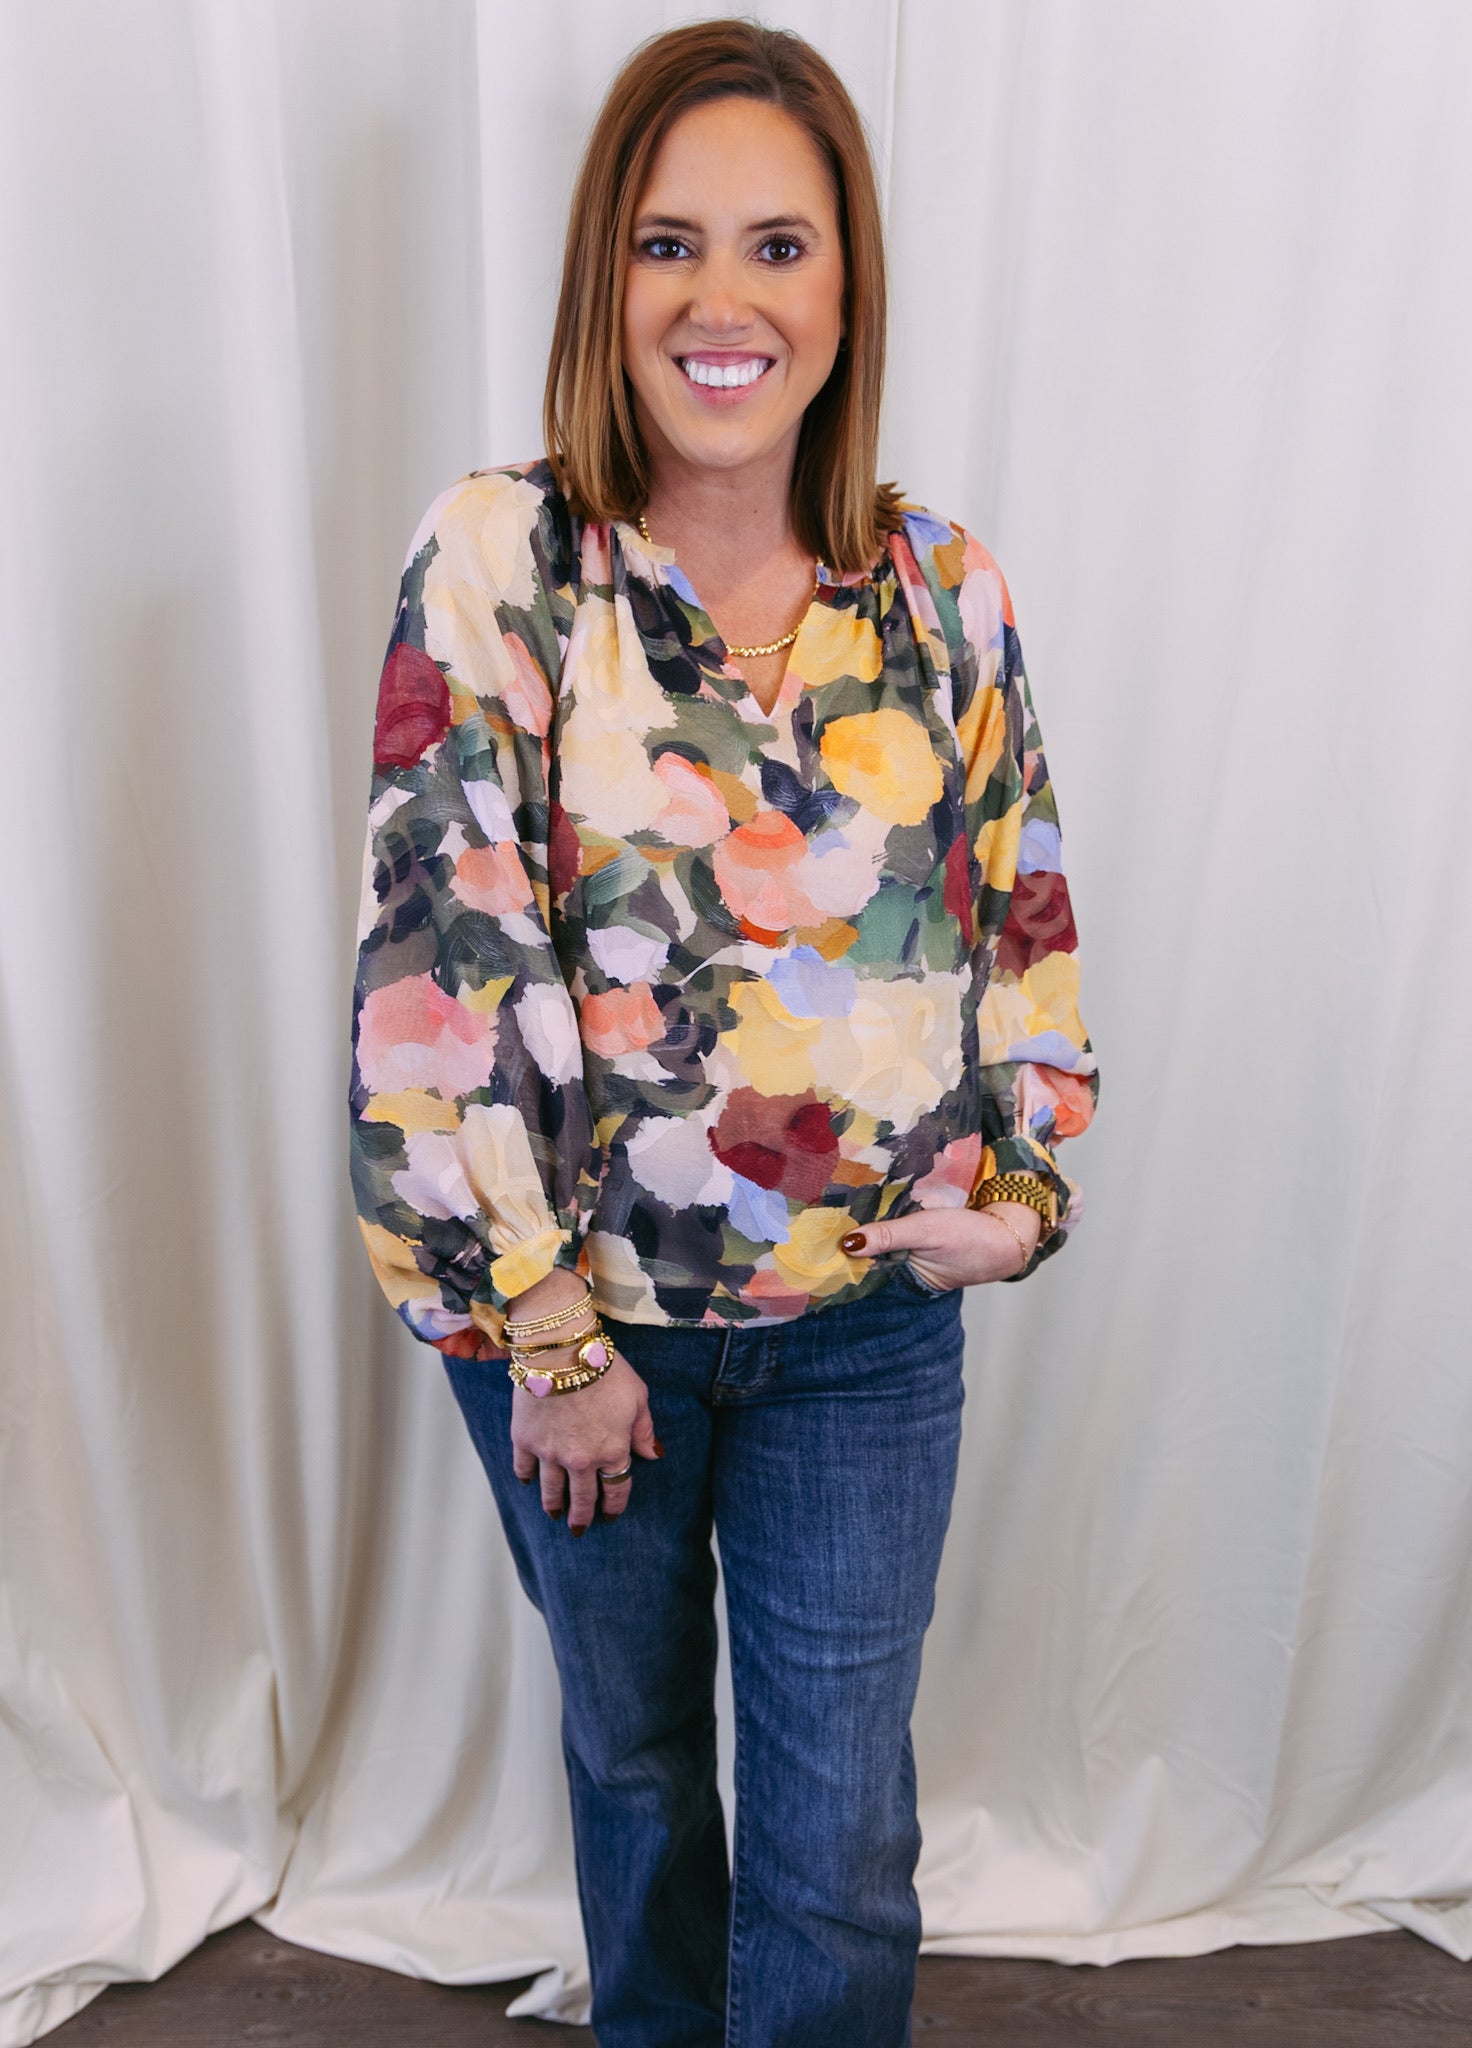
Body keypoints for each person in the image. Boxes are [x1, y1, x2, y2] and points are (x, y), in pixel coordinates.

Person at [350, 19, 1097, 2045]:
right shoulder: (505, 558)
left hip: (866, 1329)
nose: (723, 298)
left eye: (780, 244)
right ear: (609, 278)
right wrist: (552, 1336)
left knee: (841, 1842)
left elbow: (1021, 911)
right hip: (590, 1335)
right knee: (646, 1790)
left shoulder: (943, 591)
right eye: (670, 243)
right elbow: (438, 978)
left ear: (845, 288)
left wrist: (1026, 1186)